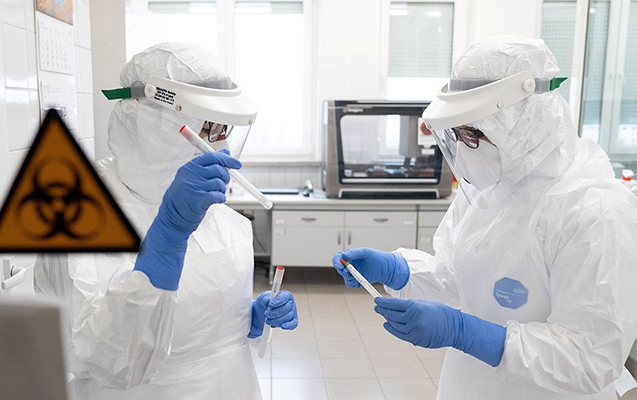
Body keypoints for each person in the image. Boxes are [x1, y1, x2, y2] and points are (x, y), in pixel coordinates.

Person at [332, 36, 637, 400]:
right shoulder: (490, 189)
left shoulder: (595, 210)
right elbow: (459, 278)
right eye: (458, 133)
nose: (464, 148)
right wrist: (399, 270)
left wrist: (467, 333)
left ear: (526, 121)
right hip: (470, 386)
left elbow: (589, 357)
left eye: (474, 133)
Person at [34, 42, 298, 399]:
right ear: (153, 124)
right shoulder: (78, 214)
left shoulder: (210, 211)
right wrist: (168, 236)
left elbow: (199, 318)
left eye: (224, 129)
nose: (219, 146)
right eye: (207, 127)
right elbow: (105, 359)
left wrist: (247, 319)